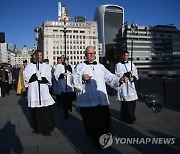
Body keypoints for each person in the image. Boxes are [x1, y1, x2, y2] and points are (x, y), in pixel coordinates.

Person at [72, 46, 123, 149]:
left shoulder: (100, 66)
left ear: (95, 54)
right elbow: (73, 78)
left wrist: (119, 79)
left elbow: (110, 77)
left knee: (104, 121)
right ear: (85, 55)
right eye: (89, 53)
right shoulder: (80, 66)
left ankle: (104, 140)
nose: (91, 55)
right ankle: (95, 141)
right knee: (91, 123)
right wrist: (81, 78)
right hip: (87, 101)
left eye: (93, 53)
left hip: (100, 99)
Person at [24, 50, 55, 136]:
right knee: (35, 112)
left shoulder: (46, 66)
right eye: (37, 55)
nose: (39, 57)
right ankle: (37, 128)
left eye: (40, 55)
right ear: (34, 56)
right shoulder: (29, 67)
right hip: (34, 92)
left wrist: (41, 77)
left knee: (45, 112)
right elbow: (26, 79)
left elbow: (49, 79)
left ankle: (46, 129)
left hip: (43, 91)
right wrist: (34, 76)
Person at [115, 50, 138, 124]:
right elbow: (118, 75)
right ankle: (124, 116)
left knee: (132, 103)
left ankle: (132, 117)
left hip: (131, 86)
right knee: (124, 103)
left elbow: (136, 75)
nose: (126, 57)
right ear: (122, 56)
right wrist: (128, 73)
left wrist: (133, 78)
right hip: (124, 87)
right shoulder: (118, 65)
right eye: (125, 55)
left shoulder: (132, 64)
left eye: (127, 55)